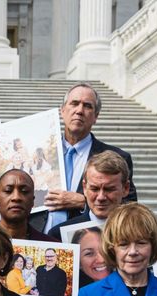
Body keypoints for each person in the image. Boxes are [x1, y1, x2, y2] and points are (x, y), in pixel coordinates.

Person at [44, 83, 138, 232]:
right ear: (62, 111)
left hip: (87, 241)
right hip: (38, 238)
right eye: (74, 103)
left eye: (87, 106)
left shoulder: (118, 158)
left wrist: (83, 201)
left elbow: (129, 206)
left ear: (96, 117)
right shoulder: (39, 153)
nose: (79, 111)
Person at [47, 150, 132, 240]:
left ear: (125, 188)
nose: (101, 197)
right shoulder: (58, 235)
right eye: (94, 189)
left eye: (109, 189)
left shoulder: (142, 230)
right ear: (84, 187)